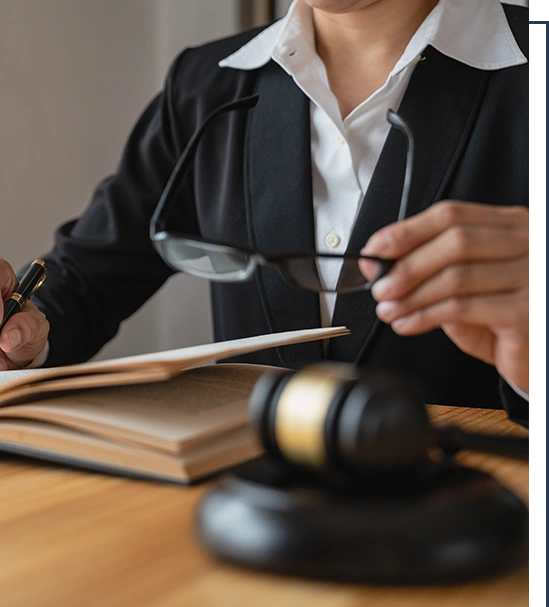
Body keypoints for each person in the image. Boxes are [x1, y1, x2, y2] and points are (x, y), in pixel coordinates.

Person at [0, 0, 529, 424]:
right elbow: (84, 279)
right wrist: (19, 338)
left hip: (484, 517)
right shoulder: (206, 83)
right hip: (242, 504)